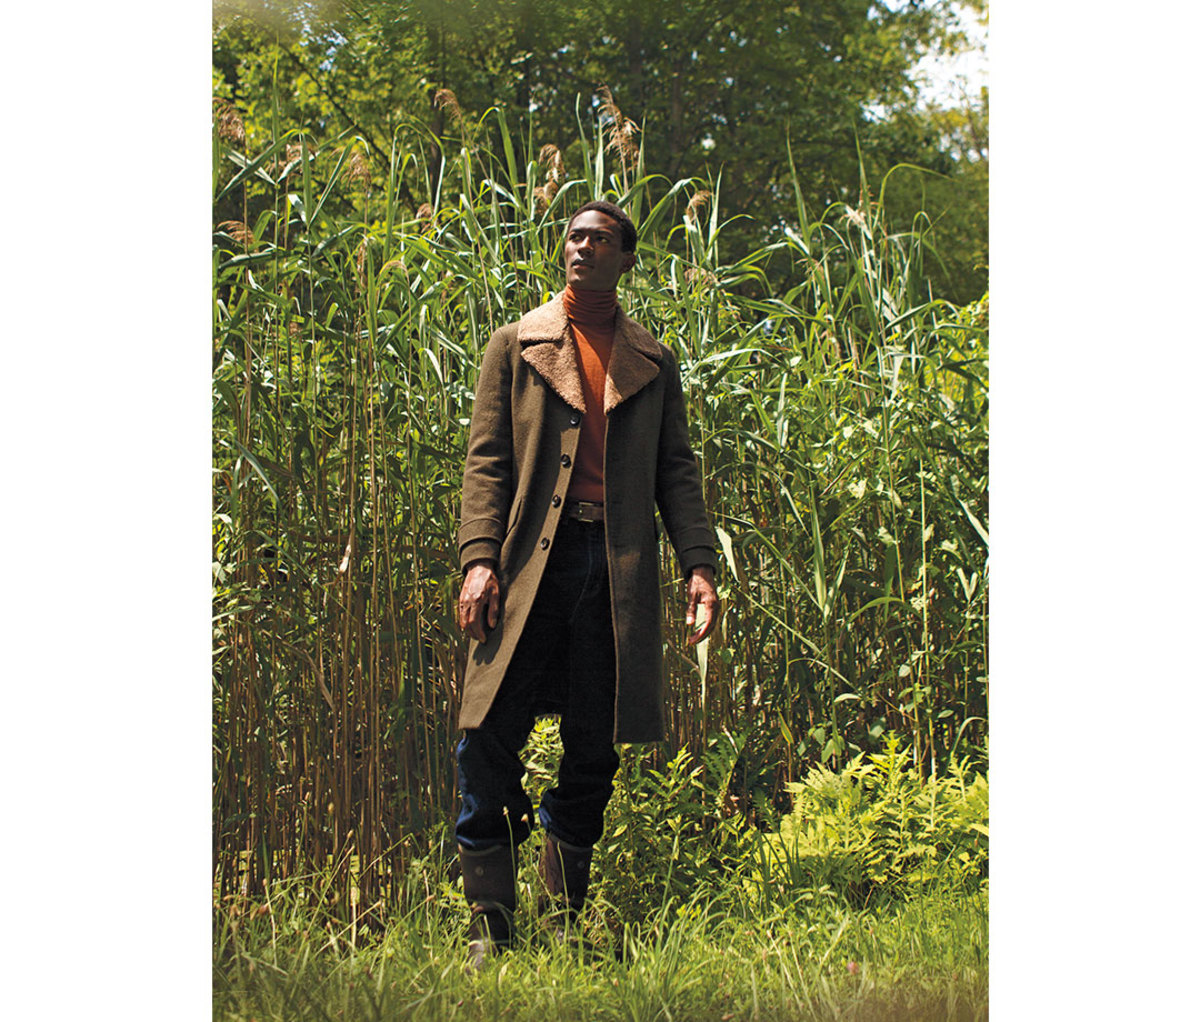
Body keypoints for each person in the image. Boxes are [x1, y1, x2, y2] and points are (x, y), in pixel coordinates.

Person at [454, 199, 720, 969]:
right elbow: (487, 462)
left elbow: (677, 470)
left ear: (626, 259)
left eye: (600, 239)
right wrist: (479, 559)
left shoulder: (653, 359)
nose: (582, 247)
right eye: (574, 236)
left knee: (594, 748)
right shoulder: (517, 344)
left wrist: (699, 563)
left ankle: (564, 917)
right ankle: (491, 928)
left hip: (617, 573)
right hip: (527, 568)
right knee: (485, 735)